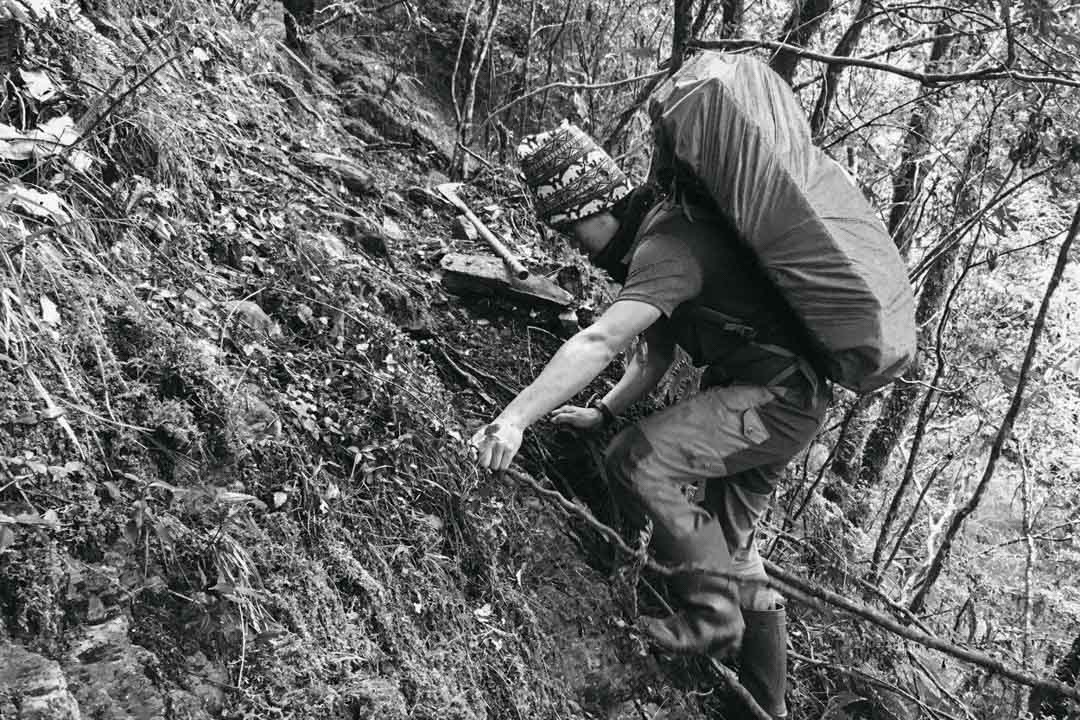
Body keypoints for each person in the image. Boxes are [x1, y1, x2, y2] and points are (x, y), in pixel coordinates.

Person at [470, 121, 828, 719]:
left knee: (638, 459)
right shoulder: (660, 239)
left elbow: (602, 340)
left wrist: (513, 419)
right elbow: (653, 354)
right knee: (734, 549)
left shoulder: (666, 246)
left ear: (597, 207)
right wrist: (603, 410)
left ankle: (713, 619)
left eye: (570, 227)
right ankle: (765, 711)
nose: (573, 243)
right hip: (786, 397)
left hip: (772, 399)